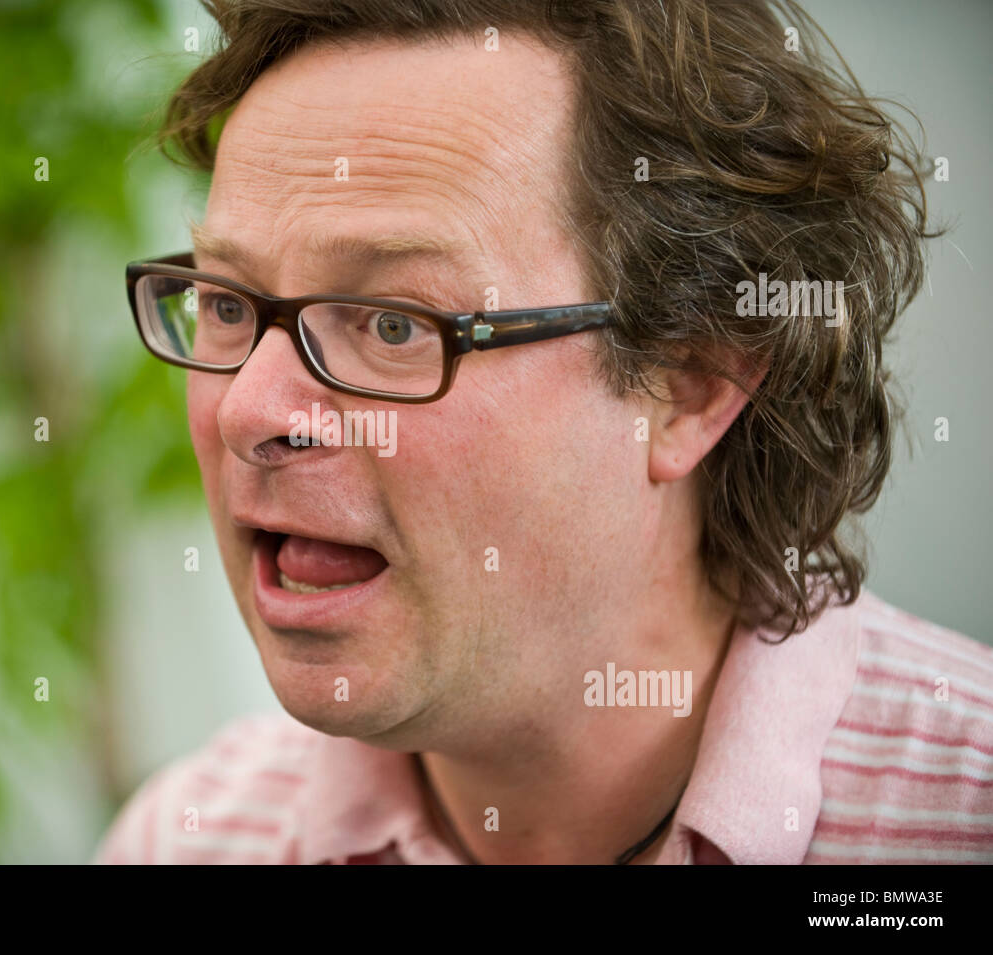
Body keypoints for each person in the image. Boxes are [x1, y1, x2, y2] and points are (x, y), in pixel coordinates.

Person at [95, 0, 993, 864]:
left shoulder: (958, 819)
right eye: (223, 301)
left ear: (691, 381)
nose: (251, 412)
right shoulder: (188, 840)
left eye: (393, 323)